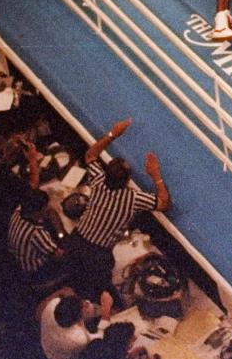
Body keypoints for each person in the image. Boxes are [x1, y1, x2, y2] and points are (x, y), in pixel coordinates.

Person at [65, 118, 170, 298]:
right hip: (97, 254)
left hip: (76, 241)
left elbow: (90, 155)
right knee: (99, 289)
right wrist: (156, 175)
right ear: (127, 181)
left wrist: (112, 134)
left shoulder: (98, 180)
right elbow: (164, 204)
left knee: (77, 277)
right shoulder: (132, 199)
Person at [38, 286, 113, 359]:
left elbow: (66, 291)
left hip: (48, 345)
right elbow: (101, 337)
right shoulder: (79, 338)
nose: (87, 302)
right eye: (83, 307)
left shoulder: (52, 305)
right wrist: (106, 309)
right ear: (76, 319)